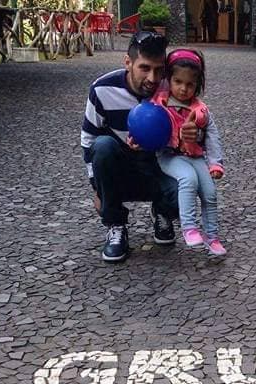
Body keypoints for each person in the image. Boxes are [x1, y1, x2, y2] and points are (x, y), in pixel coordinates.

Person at [80, 31, 199, 263]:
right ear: (128, 62)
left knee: (189, 182)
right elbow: (89, 140)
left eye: (159, 69)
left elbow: (200, 121)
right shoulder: (102, 89)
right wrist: (97, 188)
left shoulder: (172, 88)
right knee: (103, 146)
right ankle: (115, 225)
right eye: (144, 68)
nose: (153, 78)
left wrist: (196, 134)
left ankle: (163, 212)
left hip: (158, 166)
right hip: (120, 168)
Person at [152, 48, 226, 256]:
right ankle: (189, 227)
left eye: (190, 84)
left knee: (210, 194)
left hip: (195, 157)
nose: (183, 89)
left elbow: (213, 136)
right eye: (178, 82)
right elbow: (148, 125)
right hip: (169, 156)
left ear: (198, 85)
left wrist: (215, 163)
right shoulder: (159, 104)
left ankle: (212, 237)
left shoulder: (201, 111)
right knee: (188, 179)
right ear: (169, 79)